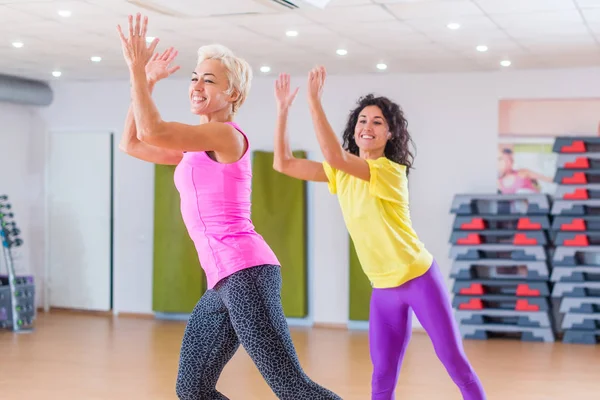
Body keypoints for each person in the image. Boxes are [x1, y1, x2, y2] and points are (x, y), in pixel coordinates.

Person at [116, 14, 342, 400]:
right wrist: (146, 82)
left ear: (233, 94)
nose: (196, 86)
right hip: (221, 281)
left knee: (291, 386)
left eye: (209, 79)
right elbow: (133, 144)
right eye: (194, 77)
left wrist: (137, 72)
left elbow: (152, 130)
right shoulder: (193, 150)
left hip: (247, 273)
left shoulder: (225, 136)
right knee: (193, 389)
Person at [273, 69, 486, 400]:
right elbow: (284, 163)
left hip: (419, 278)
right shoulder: (340, 172)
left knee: (454, 362)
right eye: (362, 120)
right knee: (382, 377)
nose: (367, 127)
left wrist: (315, 102)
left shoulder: (389, 171)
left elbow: (333, 155)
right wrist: (284, 110)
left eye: (376, 122)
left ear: (389, 133)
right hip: (383, 289)